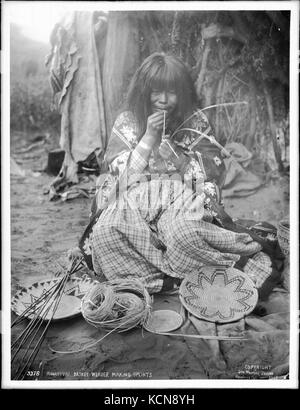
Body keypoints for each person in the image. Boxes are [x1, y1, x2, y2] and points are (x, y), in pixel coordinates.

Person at [79, 52, 277, 294]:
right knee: (106, 233)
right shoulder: (127, 122)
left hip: (181, 201)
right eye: (156, 91)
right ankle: (164, 280)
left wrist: (180, 160)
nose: (163, 100)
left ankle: (171, 276)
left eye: (171, 92)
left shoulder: (195, 122)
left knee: (183, 234)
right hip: (135, 202)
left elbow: (211, 180)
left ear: (182, 92)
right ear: (143, 91)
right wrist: (148, 138)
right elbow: (117, 179)